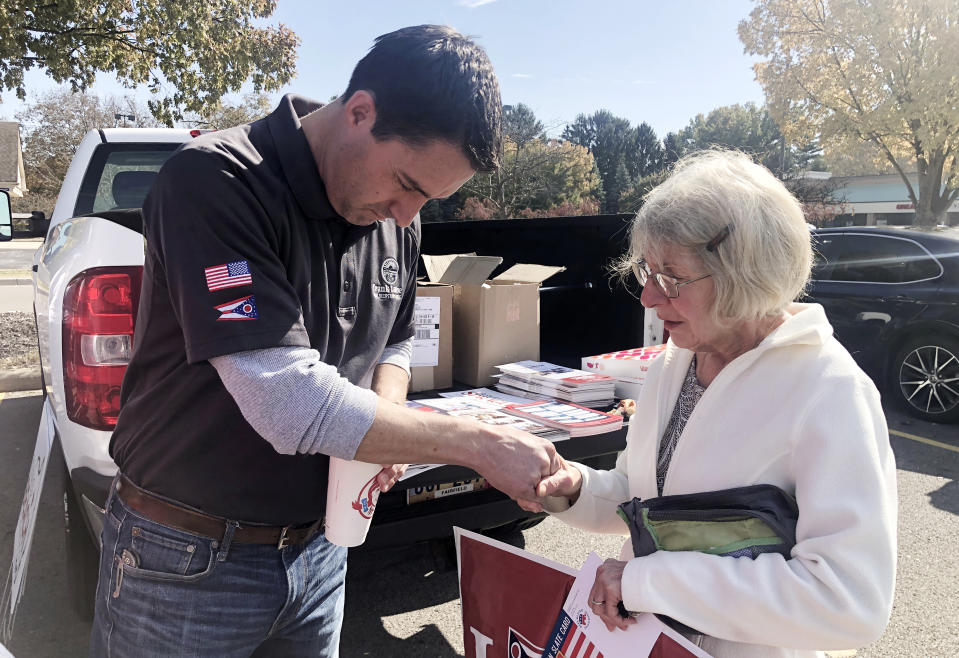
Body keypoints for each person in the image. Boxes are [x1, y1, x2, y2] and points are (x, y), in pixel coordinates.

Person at [92, 25, 560, 657]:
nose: (405, 213)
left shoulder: (396, 219)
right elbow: (288, 403)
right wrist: (477, 445)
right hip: (184, 559)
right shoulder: (216, 184)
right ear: (359, 112)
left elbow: (396, 341)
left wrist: (389, 420)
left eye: (427, 198)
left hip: (321, 553)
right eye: (407, 183)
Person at [533, 150, 897, 657]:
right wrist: (571, 490)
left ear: (746, 275)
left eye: (672, 277)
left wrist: (647, 583)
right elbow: (645, 501)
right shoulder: (674, 362)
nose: (648, 297)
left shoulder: (830, 393)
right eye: (647, 270)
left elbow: (847, 602)